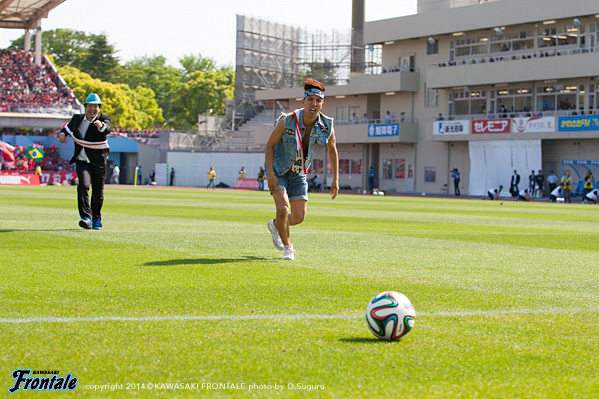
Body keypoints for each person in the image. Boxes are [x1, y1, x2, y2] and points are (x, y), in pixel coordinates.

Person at [265, 78, 339, 261]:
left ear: (322, 103)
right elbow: (269, 146)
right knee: (282, 208)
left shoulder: (326, 125)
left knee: (298, 217)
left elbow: (332, 150)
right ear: (303, 101)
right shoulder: (287, 120)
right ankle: (288, 248)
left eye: (318, 100)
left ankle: (275, 225)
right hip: (279, 169)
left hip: (299, 172)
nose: (314, 104)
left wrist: (335, 179)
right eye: (310, 100)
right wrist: (271, 175)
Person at [58, 93, 111, 230]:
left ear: (99, 108)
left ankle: (97, 217)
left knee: (98, 191)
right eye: (90, 106)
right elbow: (67, 128)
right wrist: (62, 134)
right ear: (85, 107)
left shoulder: (103, 118)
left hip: (98, 161)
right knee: (83, 185)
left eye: (95, 107)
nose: (92, 109)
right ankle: (86, 217)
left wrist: (101, 126)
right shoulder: (77, 119)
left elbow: (107, 128)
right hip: (82, 160)